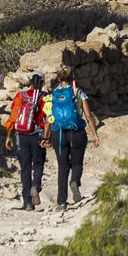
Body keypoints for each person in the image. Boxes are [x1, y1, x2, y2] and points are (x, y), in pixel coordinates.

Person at [41, 74, 99, 211]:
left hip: (58, 134)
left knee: (63, 168)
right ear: (72, 78)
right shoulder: (77, 92)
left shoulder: (53, 95)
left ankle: (61, 201)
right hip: (76, 132)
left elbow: (49, 118)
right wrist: (95, 134)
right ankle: (74, 181)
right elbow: (88, 115)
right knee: (77, 163)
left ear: (59, 79)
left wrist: (46, 137)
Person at [3, 71, 47, 211]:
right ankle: (36, 186)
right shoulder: (44, 97)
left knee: (25, 168)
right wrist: (47, 137)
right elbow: (47, 119)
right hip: (36, 135)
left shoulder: (20, 96)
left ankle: (27, 202)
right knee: (38, 163)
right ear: (43, 83)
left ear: (29, 82)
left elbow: (13, 117)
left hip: (20, 136)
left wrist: (9, 137)